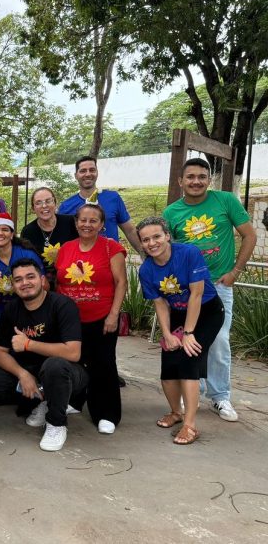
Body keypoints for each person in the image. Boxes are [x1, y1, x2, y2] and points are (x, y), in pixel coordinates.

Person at [162, 158, 256, 422]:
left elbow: (250, 235)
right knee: (188, 337)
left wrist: (235, 272)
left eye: (202, 177)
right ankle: (194, 386)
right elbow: (168, 251)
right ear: (181, 181)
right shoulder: (171, 213)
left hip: (218, 285)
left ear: (209, 180)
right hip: (186, 289)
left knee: (219, 340)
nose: (196, 181)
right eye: (190, 177)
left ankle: (220, 395)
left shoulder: (225, 201)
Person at [0, 259, 87, 451]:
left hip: (66, 372)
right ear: (13, 285)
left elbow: (73, 352)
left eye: (30, 277)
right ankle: (43, 399)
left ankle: (56, 423)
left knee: (54, 366)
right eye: (18, 279)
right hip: (30, 370)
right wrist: (23, 374)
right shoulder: (12, 309)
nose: (25, 283)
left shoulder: (62, 305)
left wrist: (29, 344)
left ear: (42, 280)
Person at [137, 217, 225, 445]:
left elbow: (197, 294)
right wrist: (167, 334)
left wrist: (188, 333)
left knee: (188, 360)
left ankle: (190, 425)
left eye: (156, 236)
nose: (152, 243)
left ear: (167, 236)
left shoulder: (188, 253)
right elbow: (160, 304)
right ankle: (176, 412)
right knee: (169, 364)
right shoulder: (146, 270)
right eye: (145, 240)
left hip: (207, 312)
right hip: (177, 313)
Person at [55, 204, 127, 435]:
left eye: (93, 220)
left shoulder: (111, 247)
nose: (87, 224)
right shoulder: (66, 248)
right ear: (76, 223)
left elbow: (121, 283)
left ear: (102, 224)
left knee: (103, 364)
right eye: (83, 220)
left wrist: (113, 314)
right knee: (75, 361)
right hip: (71, 320)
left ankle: (106, 413)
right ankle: (76, 401)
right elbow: (59, 282)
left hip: (102, 317)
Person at [58, 156, 142, 254]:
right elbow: (62, 237)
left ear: (97, 173)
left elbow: (130, 230)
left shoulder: (113, 198)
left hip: (111, 258)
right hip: (80, 260)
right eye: (83, 171)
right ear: (76, 175)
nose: (88, 174)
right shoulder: (66, 206)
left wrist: (144, 255)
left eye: (92, 170)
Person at [0, 213, 43, 333]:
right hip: (2, 310)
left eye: (5, 229)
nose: (0, 233)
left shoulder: (28, 255)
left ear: (12, 235)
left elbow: (44, 287)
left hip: (30, 306)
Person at [20, 187, 78, 289]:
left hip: (73, 280)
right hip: (41, 284)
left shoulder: (71, 222)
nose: (44, 206)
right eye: (38, 203)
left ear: (55, 203)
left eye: (48, 201)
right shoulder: (28, 231)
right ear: (33, 208)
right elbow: (27, 262)